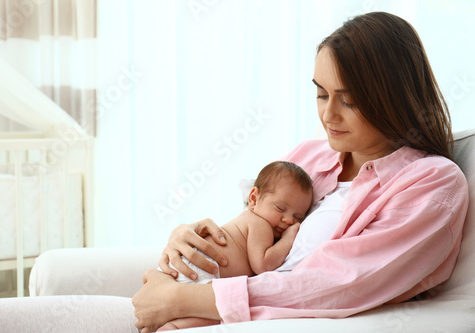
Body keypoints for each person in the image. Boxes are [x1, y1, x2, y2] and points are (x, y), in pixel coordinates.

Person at [132, 11, 469, 333]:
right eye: (321, 94)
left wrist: (181, 299)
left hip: (260, 318)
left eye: (348, 101)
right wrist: (190, 240)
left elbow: (340, 284)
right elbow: (250, 230)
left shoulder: (432, 182)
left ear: (394, 97)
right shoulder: (310, 156)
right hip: (216, 298)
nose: (328, 115)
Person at [158, 161, 312, 331]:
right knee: (218, 314)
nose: (289, 220)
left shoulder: (247, 220)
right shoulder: (260, 224)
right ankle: (171, 327)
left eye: (298, 217)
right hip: (203, 269)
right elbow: (263, 265)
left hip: (189, 265)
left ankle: (166, 325)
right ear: (253, 198)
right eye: (280, 208)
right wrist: (288, 238)